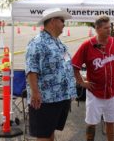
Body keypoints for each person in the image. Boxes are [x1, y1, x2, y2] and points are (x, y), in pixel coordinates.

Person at [72, 15, 114, 141]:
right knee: (91, 123)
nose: (109, 30)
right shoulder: (87, 45)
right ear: (97, 29)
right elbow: (75, 66)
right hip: (94, 93)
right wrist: (81, 82)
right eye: (106, 28)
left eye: (110, 27)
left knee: (111, 122)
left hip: (112, 91)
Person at [25, 8, 77, 141]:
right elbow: (32, 70)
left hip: (59, 97)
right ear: (53, 22)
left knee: (50, 132)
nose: (64, 24)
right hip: (45, 99)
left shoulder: (59, 43)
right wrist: (35, 92)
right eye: (62, 21)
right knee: (43, 134)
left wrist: (70, 91)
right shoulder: (37, 42)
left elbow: (65, 66)